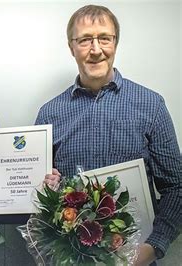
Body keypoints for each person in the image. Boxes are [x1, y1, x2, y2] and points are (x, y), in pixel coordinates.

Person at [37, 5, 181, 265]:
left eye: (105, 38)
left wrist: (152, 247)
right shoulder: (49, 113)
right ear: (72, 47)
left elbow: (176, 187)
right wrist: (46, 188)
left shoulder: (151, 105)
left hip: (137, 258)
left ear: (115, 43)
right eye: (84, 40)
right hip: (72, 258)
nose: (95, 49)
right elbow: (41, 190)